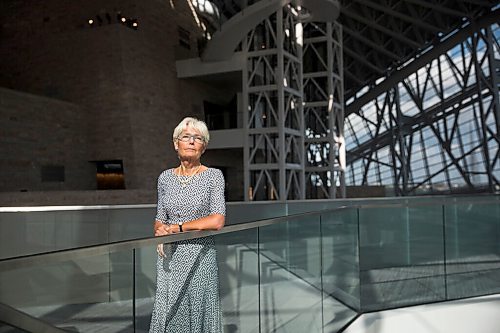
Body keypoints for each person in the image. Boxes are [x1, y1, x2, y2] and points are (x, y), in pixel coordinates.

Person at [149, 117, 225, 333]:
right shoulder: (164, 178)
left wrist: (177, 228)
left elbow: (217, 220)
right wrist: (160, 230)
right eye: (186, 137)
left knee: (198, 310)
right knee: (169, 310)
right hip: (169, 258)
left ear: (204, 146)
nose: (191, 141)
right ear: (176, 143)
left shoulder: (213, 176)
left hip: (200, 255)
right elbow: (159, 218)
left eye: (198, 138)